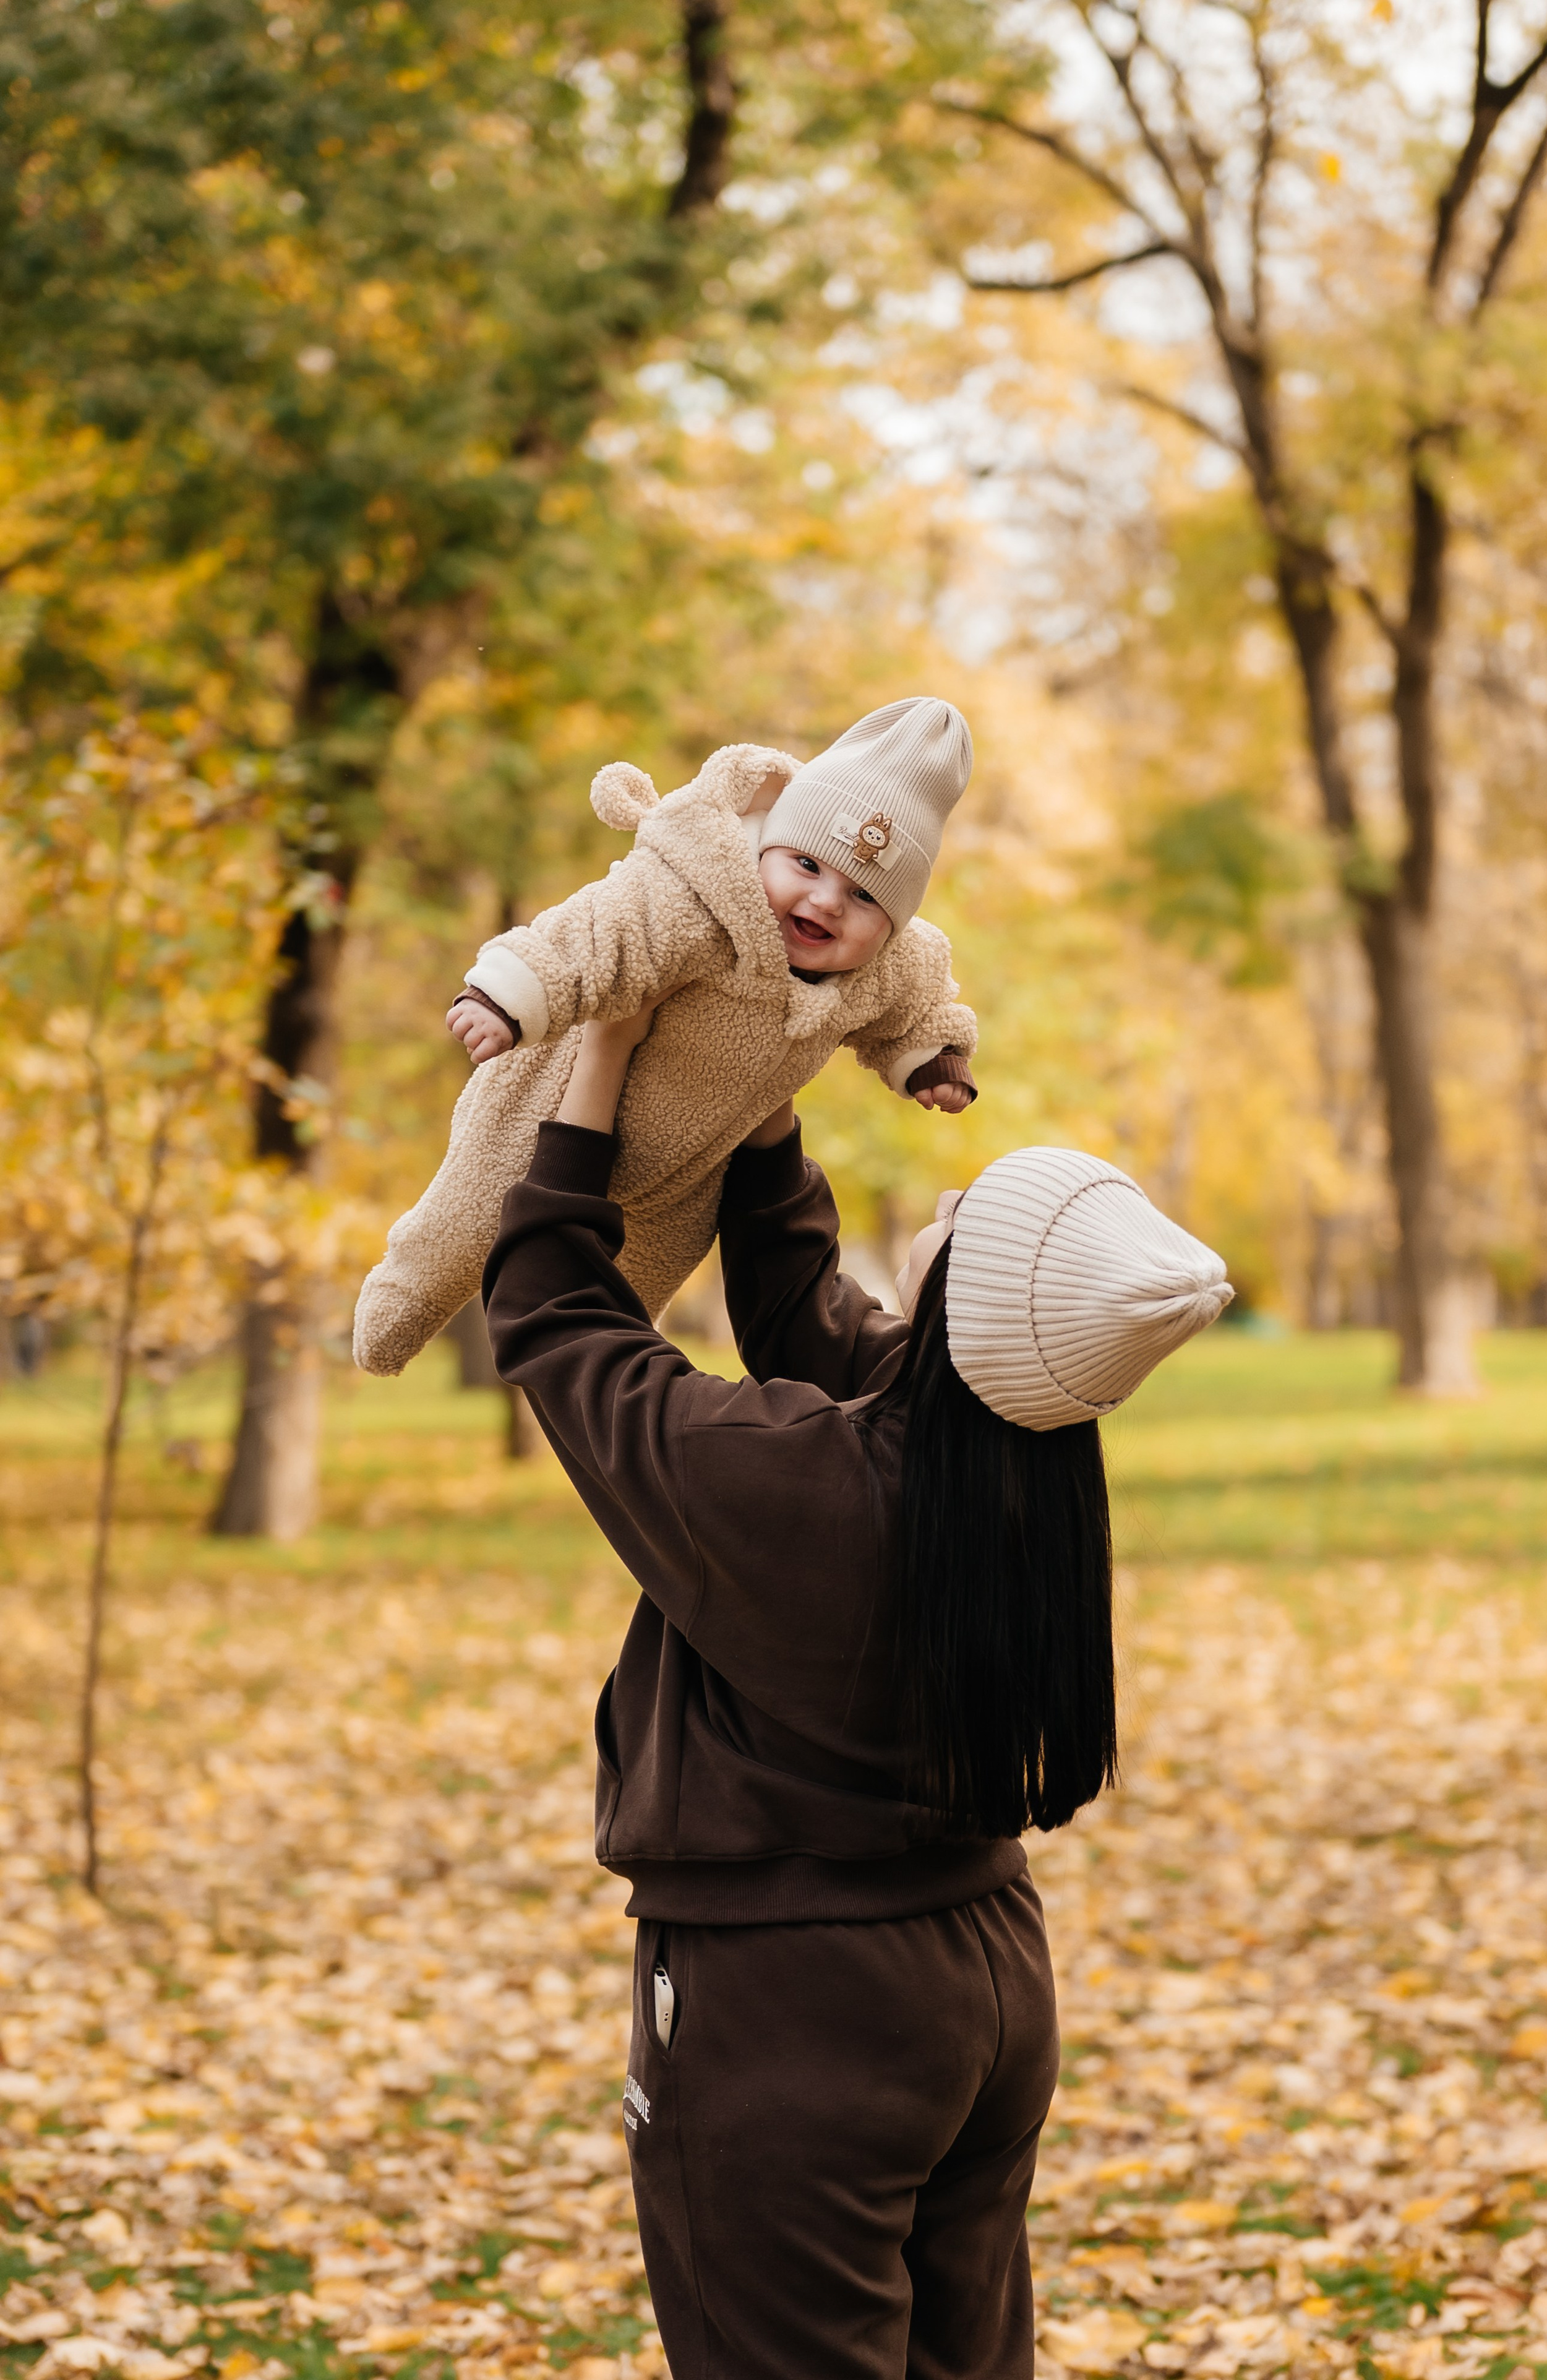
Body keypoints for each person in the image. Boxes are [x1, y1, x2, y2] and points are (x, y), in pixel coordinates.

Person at [481, 1007, 1232, 2380]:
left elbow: (554, 1318)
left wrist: (598, 1056)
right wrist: (761, 1076)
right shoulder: (1020, 1468)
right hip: (982, 1988)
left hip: (795, 2013)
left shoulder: (800, 1488)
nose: (946, 1197)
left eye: (969, 1217)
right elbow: (801, 1311)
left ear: (968, 1310)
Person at [353, 698, 979, 1378]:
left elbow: (918, 1006)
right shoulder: (693, 898)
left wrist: (931, 1062)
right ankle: (401, 1303)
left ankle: (592, 1376)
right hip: (547, 1110)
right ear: (766, 844)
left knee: (630, 1296)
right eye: (807, 866)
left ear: (891, 926)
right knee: (468, 1218)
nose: (827, 901)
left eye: (864, 898)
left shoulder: (887, 968)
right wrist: (507, 995)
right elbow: (597, 932)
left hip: (688, 1170)